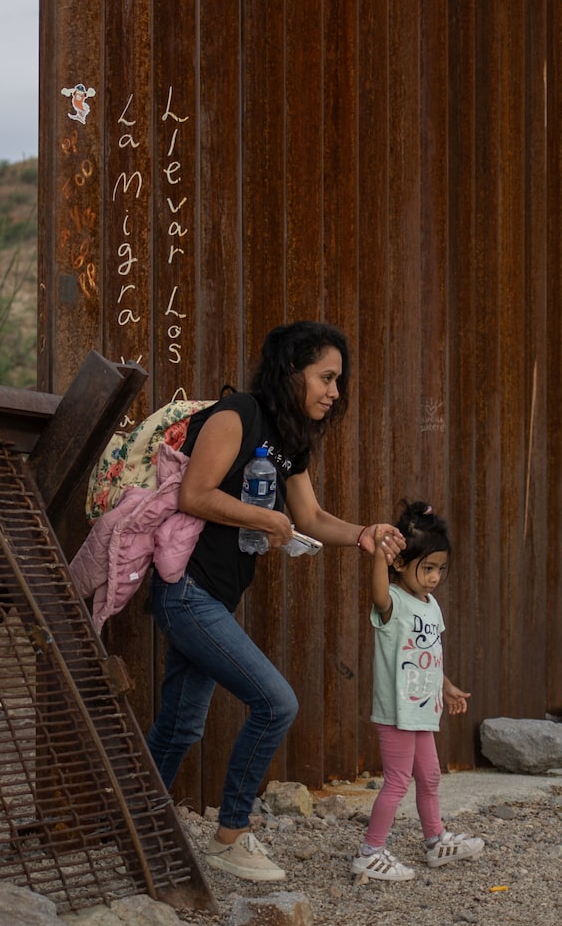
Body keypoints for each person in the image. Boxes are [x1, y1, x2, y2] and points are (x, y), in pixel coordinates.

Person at [146, 320, 404, 882]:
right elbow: (195, 494)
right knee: (276, 703)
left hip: (214, 595)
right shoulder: (236, 414)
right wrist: (267, 518)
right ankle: (231, 835)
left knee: (180, 726)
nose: (335, 392)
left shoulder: (289, 440)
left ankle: (132, 829)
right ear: (291, 372)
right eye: (326, 377)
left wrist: (363, 534)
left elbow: (309, 518)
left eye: (338, 380)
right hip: (186, 591)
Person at [351, 500, 484, 881]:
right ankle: (370, 851)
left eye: (440, 569)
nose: (434, 577)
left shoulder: (431, 606)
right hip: (397, 711)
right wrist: (378, 554)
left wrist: (448, 686)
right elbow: (377, 594)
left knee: (430, 778)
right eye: (427, 568)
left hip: (424, 709)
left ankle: (435, 841)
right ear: (399, 565)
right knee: (397, 780)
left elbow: (430, 655)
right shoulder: (393, 603)